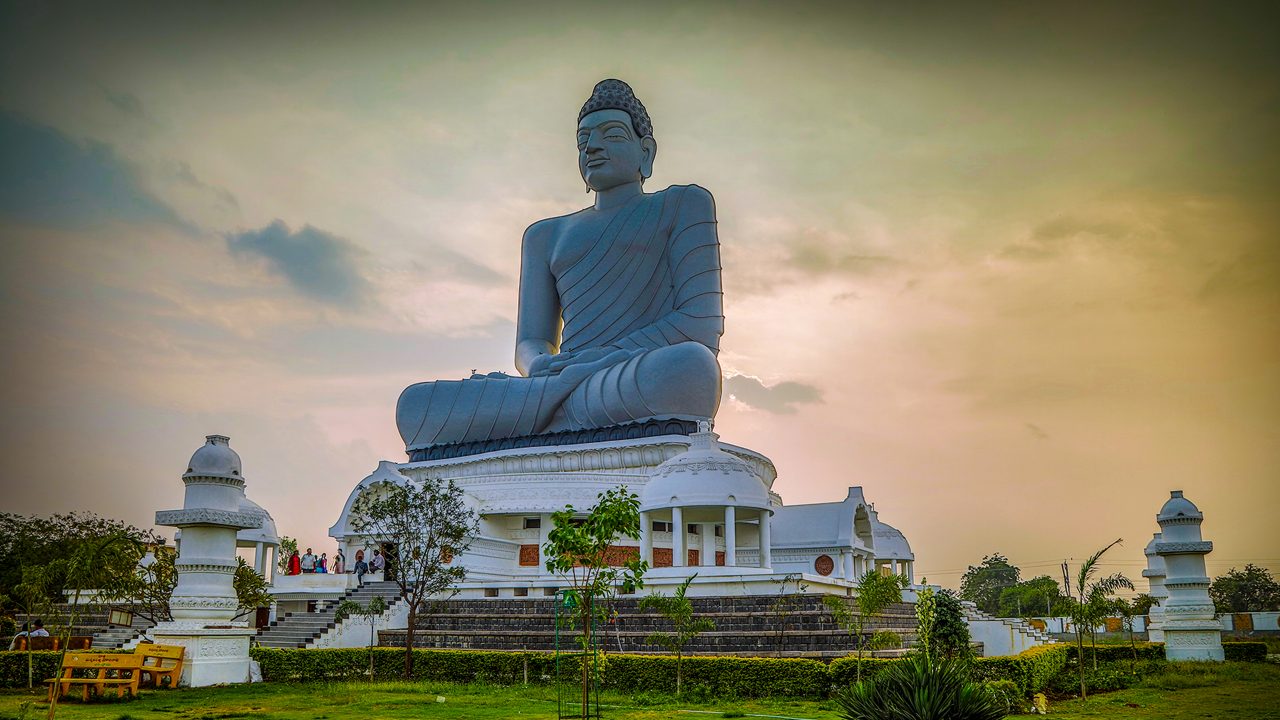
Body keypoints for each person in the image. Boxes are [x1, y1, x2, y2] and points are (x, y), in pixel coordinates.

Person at [395, 79, 723, 456]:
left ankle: (549, 414)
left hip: (627, 375)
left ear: (645, 151)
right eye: (583, 141)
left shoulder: (683, 204)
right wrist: (540, 366)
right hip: (567, 383)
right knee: (416, 404)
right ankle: (559, 408)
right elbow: (531, 342)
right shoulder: (544, 235)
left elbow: (700, 324)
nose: (593, 148)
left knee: (691, 366)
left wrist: (596, 360)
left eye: (611, 135)